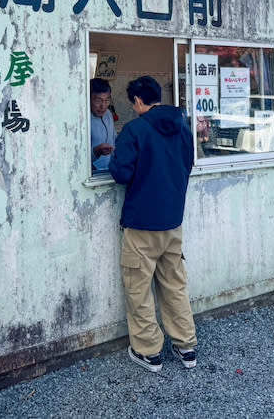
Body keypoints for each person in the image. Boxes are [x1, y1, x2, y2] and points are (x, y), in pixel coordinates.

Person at [108, 75, 197, 372]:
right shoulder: (183, 129)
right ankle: (186, 346)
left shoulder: (134, 130)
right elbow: (188, 166)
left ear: (136, 101)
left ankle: (149, 351)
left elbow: (120, 173)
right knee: (174, 284)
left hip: (141, 223)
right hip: (172, 222)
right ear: (157, 97)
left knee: (139, 287)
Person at [90, 78, 115, 172]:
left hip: (108, 170)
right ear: (88, 98)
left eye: (107, 100)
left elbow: (114, 140)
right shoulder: (82, 120)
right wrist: (95, 152)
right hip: (91, 172)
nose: (103, 106)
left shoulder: (108, 114)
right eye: (98, 101)